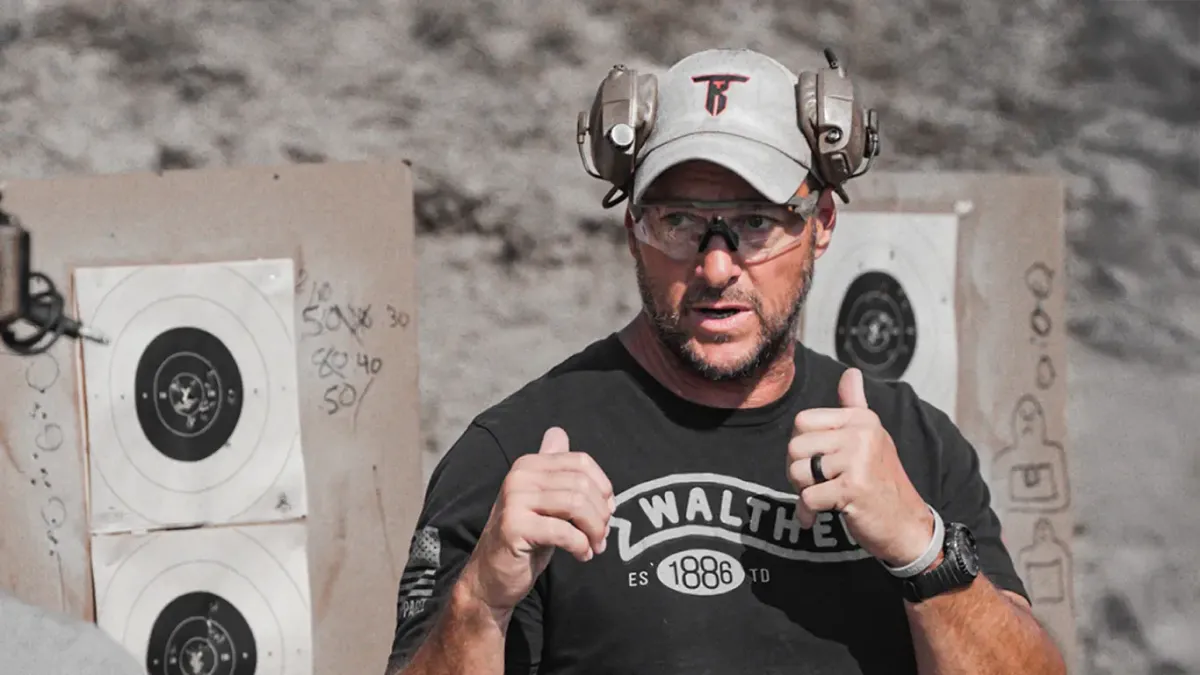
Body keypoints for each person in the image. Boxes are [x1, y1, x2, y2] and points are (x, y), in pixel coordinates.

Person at [386, 47, 1067, 675]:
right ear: (633, 230)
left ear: (822, 223)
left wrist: (923, 550)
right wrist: (480, 602)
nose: (716, 266)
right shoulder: (515, 455)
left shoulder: (914, 446)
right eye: (679, 222)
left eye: (756, 222)